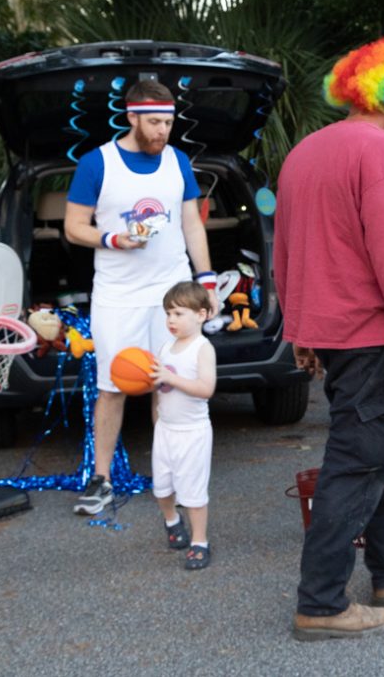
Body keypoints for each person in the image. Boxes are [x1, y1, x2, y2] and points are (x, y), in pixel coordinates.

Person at [273, 36, 384, 641]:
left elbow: (285, 249)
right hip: (369, 330)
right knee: (358, 458)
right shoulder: (378, 150)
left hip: (333, 329)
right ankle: (320, 604)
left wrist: (299, 327)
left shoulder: (304, 151)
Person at [65, 80, 219, 516]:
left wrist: (205, 280)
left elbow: (191, 223)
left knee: (166, 383)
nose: (162, 131)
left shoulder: (178, 160)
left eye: (168, 122)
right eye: (154, 122)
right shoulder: (98, 163)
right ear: (130, 117)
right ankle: (101, 479)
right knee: (112, 387)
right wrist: (114, 238)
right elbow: (74, 226)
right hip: (118, 294)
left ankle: (167, 476)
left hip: (171, 291)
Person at [147, 281, 216, 569]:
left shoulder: (203, 348)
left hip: (192, 432)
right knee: (162, 488)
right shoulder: (165, 347)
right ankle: (172, 522)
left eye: (178, 314)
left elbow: (206, 388)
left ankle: (200, 541)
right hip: (166, 430)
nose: (171, 320)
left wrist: (170, 378)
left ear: (201, 315)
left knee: (193, 492)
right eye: (168, 314)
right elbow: (158, 390)